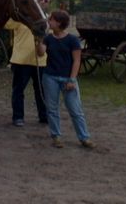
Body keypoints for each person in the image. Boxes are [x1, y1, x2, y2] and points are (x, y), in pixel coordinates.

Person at [36, 9, 94, 149]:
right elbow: (40, 53)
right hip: (50, 77)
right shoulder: (48, 38)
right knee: (52, 109)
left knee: (75, 110)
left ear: (59, 22)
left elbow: (76, 61)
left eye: (51, 19)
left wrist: (72, 80)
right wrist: (38, 39)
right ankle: (56, 136)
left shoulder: (72, 40)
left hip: (67, 78)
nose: (49, 21)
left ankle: (84, 137)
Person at [4, 0, 51, 127]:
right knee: (18, 90)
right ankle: (18, 117)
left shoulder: (49, 20)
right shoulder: (21, 19)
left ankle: (44, 116)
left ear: (49, 4)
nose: (43, 1)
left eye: (46, 0)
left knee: (41, 90)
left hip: (41, 62)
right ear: (35, 1)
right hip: (21, 61)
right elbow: (6, 24)